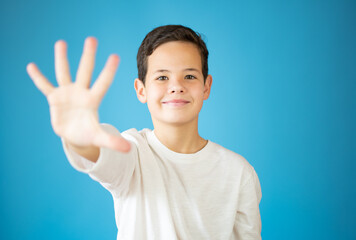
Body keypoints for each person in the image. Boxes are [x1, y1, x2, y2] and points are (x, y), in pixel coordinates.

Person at [26, 25, 262, 240]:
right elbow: (105, 156)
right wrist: (80, 140)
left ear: (206, 87)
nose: (176, 86)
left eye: (189, 76)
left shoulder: (238, 171)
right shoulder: (132, 152)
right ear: (141, 90)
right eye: (162, 77)